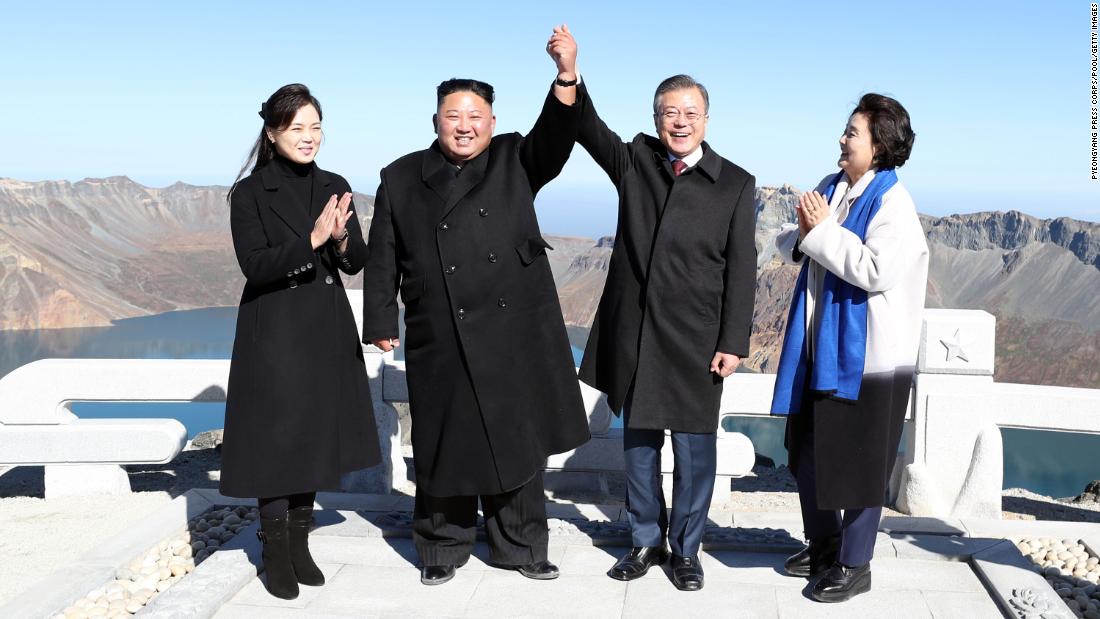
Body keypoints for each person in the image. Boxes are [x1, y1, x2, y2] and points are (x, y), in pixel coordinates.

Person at [361, 26, 590, 586]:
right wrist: (380, 321)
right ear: (435, 120)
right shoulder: (400, 176)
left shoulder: (517, 157)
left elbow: (558, 135)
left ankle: (523, 547)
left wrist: (566, 74)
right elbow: (384, 253)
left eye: (475, 116)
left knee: (517, 441)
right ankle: (442, 548)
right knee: (444, 441)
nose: (463, 126)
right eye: (452, 116)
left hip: (513, 332)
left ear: (491, 120)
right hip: (440, 329)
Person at [575, 73, 757, 591]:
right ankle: (644, 540)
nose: (680, 122)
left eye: (690, 113)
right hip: (638, 334)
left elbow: (742, 269)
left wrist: (733, 341)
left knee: (696, 452)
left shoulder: (735, 183)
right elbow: (589, 128)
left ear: (706, 119)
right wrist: (571, 77)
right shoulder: (637, 162)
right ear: (656, 119)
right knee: (640, 445)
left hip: (699, 338)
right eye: (669, 113)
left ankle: (687, 550)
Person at [220, 83, 381, 600]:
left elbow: (357, 260)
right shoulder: (249, 193)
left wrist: (337, 239)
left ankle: (299, 542)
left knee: (313, 435)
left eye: (315, 127)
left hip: (326, 324)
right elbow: (256, 265)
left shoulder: (334, 183)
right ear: (272, 132)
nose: (308, 137)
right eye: (296, 128)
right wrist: (310, 241)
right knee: (277, 439)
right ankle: (273, 546)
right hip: (275, 328)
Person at [770, 93, 927, 603]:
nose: (842, 139)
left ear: (878, 146)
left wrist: (821, 231)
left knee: (860, 460)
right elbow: (799, 242)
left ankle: (855, 564)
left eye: (852, 132)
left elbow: (876, 270)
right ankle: (823, 545)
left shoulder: (892, 203)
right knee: (811, 451)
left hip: (867, 358)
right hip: (822, 346)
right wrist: (805, 231)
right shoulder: (832, 188)